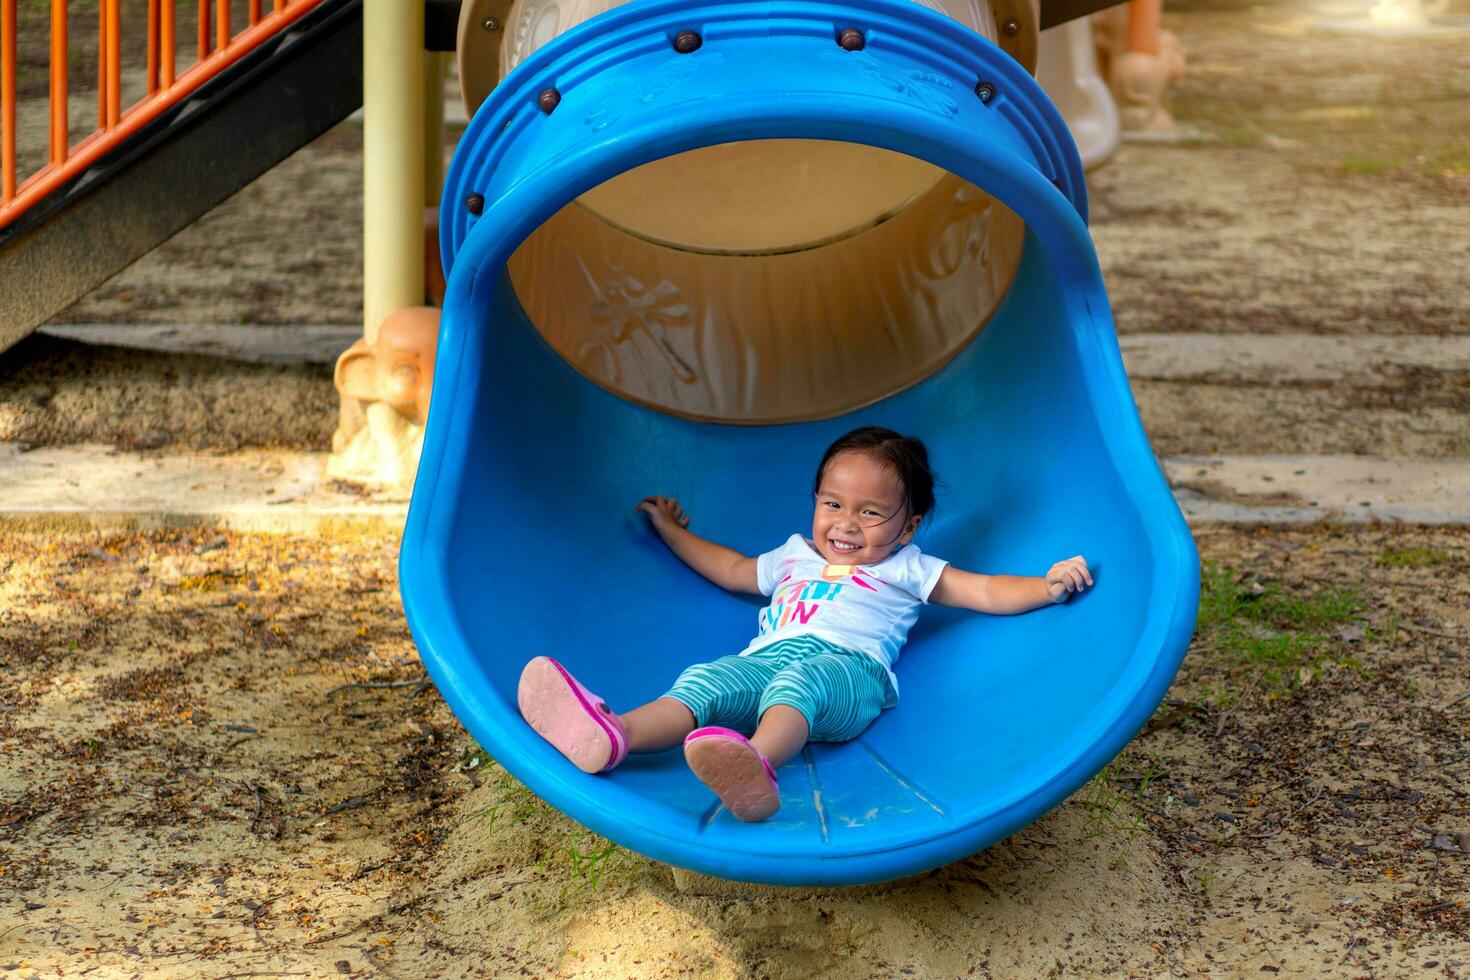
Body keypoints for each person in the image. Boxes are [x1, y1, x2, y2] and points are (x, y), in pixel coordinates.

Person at [516, 426, 1092, 822]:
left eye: (870, 513)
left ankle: (756, 764)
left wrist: (1046, 585)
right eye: (832, 504)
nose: (845, 524)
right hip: (764, 659)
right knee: (709, 679)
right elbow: (733, 568)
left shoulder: (909, 567)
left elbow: (984, 590)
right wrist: (670, 530)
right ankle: (616, 736)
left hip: (849, 672)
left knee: (801, 684)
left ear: (908, 527)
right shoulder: (796, 556)